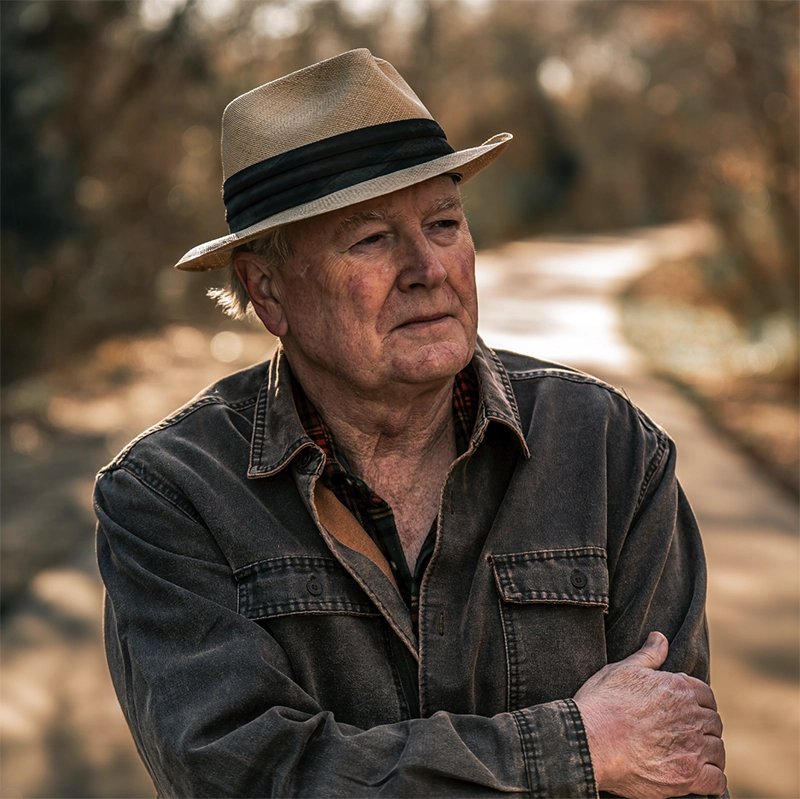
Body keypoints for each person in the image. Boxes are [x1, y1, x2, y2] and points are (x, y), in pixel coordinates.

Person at [94, 49, 727, 799]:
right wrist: (580, 743)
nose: (428, 266)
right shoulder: (170, 497)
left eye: (444, 222)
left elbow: (678, 767)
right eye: (370, 238)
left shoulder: (611, 451)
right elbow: (248, 778)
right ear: (266, 290)